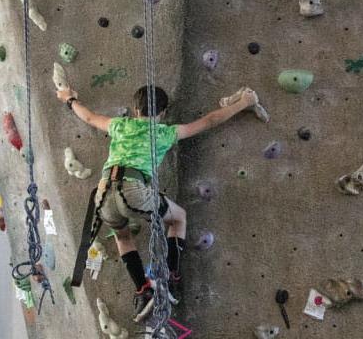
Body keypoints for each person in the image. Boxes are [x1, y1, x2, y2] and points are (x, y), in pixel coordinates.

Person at [57, 84, 264, 322]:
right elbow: (210, 120)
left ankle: (143, 291)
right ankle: (170, 278)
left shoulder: (119, 125)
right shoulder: (165, 132)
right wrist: (243, 103)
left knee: (123, 237)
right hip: (133, 190)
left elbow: (90, 116)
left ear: (135, 109)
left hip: (103, 194)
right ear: (163, 113)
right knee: (178, 218)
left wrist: (69, 99)